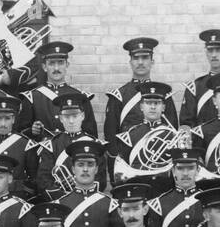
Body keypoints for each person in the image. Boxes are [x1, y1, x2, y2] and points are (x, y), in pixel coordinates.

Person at [103, 37, 178, 180]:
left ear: (152, 61)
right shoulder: (119, 96)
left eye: (145, 58)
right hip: (130, 163)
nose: (141, 62)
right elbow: (111, 138)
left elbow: (172, 132)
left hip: (159, 164)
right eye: (136, 58)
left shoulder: (164, 96)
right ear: (130, 62)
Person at [21, 40, 98, 140]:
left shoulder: (80, 97)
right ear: (44, 67)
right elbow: (21, 133)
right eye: (51, 63)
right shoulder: (32, 97)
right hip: (43, 153)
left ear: (67, 65)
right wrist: (32, 131)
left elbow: (91, 134)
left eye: (61, 63)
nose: (56, 68)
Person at [111, 81, 177, 193]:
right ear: (141, 106)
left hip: (165, 190)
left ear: (163, 107)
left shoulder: (173, 135)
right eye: (148, 103)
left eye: (157, 103)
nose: (152, 107)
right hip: (139, 191)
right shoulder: (129, 136)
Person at [35, 93, 105, 197]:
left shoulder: (95, 145)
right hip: (60, 203)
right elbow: (43, 180)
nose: (71, 121)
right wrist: (64, 197)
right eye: (67, 117)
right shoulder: (51, 145)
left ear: (82, 116)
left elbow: (100, 179)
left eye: (75, 116)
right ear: (61, 118)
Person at [146, 147, 205, 227]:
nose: (185, 173)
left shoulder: (207, 201)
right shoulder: (159, 204)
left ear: (197, 171)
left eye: (190, 168)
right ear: (173, 171)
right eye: (180, 168)